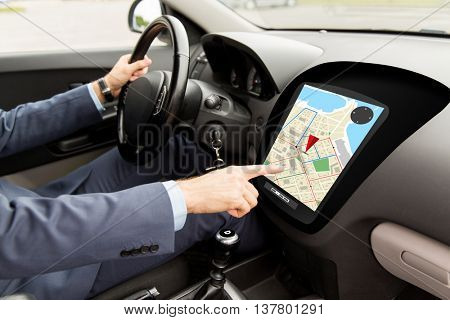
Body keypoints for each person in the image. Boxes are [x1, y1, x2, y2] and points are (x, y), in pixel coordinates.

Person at [0, 54, 281, 300]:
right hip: (32, 268)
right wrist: (189, 195)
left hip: (31, 206)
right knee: (221, 210)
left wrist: (104, 88)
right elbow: (14, 235)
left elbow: (5, 129)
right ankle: (282, 264)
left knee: (173, 149)